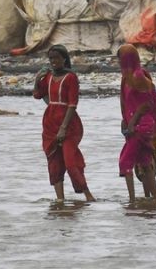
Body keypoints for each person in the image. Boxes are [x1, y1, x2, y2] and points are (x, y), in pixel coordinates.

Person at [33, 44, 95, 203]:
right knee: (54, 161)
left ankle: (88, 196)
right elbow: (37, 95)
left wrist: (63, 128)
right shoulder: (48, 76)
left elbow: (73, 104)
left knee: (70, 161)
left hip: (69, 124)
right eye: (51, 58)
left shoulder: (71, 77)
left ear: (64, 59)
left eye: (57, 58)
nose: (53, 62)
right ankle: (60, 200)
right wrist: (36, 80)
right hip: (50, 123)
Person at [117, 44, 156, 203]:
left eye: (120, 59)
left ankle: (131, 201)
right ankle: (155, 198)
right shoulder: (126, 77)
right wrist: (125, 121)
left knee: (125, 161)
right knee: (144, 162)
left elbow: (147, 104)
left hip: (142, 126)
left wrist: (132, 122)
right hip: (134, 125)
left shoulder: (139, 76)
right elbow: (127, 104)